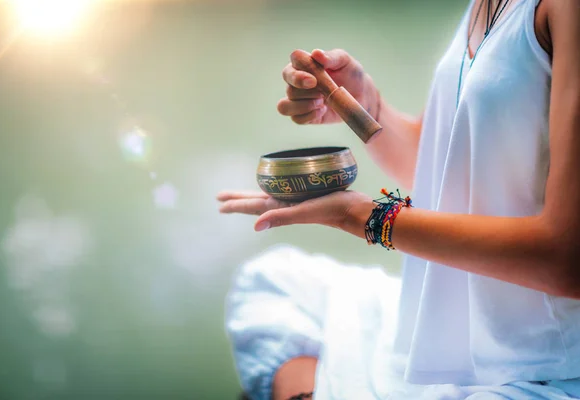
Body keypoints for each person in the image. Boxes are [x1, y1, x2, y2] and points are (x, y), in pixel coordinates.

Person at [218, 0, 580, 398]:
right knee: (273, 280)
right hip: (451, 336)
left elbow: (567, 258)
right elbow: (441, 172)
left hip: (542, 369)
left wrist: (358, 217)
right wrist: (365, 105)